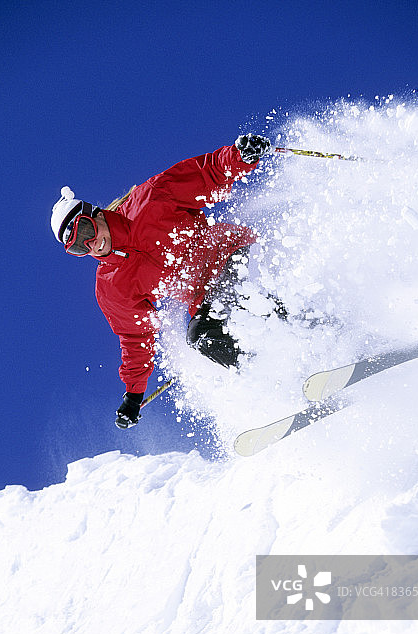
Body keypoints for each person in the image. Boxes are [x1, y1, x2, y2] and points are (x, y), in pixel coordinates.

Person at [50, 134, 272, 429]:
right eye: (78, 246)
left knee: (245, 304)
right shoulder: (112, 285)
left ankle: (306, 328)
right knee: (203, 338)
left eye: (85, 230)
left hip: (235, 255)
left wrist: (239, 156)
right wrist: (133, 395)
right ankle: (277, 374)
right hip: (206, 298)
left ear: (95, 213)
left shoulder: (151, 198)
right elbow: (134, 337)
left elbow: (208, 174)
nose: (91, 244)